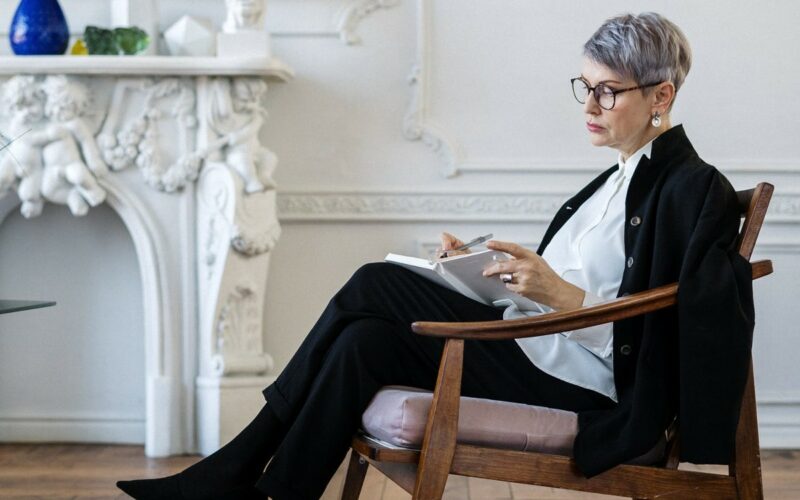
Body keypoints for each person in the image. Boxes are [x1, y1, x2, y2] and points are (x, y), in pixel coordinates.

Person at [117, 11, 754, 499]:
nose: (588, 107)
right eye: (583, 87)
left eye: (607, 92)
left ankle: (233, 465)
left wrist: (555, 293)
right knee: (363, 340)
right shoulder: (620, 176)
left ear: (662, 97)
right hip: (534, 341)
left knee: (375, 281)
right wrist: (483, 270)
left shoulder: (692, 188)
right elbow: (575, 285)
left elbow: (674, 320)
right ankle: (272, 491)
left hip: (582, 384)